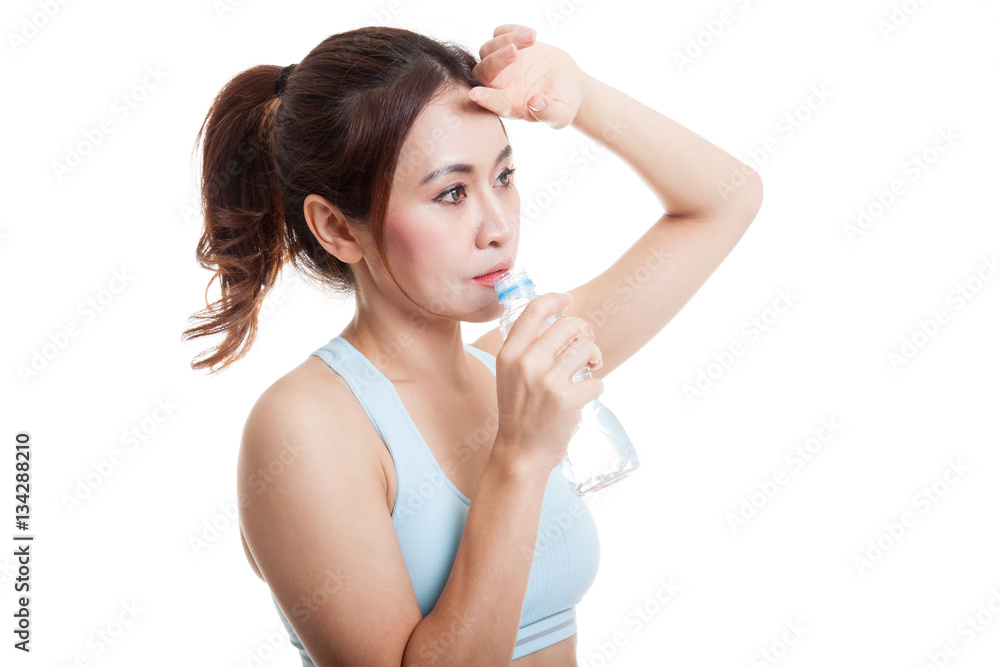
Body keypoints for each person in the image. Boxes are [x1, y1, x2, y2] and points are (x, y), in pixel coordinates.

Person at [183, 22, 762, 666]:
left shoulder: (507, 366)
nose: (498, 225)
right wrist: (519, 456)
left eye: (505, 175)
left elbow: (726, 201)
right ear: (336, 229)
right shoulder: (306, 428)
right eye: (451, 192)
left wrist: (584, 97)